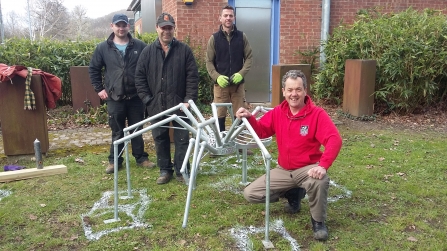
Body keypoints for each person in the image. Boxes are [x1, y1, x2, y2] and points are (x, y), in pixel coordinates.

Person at [235, 70, 342, 241]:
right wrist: (249, 119)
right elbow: (262, 130)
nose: (294, 94)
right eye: (290, 90)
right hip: (283, 169)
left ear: (305, 91)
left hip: (307, 168)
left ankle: (318, 222)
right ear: (283, 91)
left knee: (319, 181)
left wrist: (323, 165)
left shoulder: (317, 114)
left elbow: (334, 139)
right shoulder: (278, 112)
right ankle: (292, 193)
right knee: (251, 193)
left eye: (298, 89)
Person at [135, 13, 199, 185]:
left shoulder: (184, 50)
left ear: (173, 28)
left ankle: (182, 170)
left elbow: (192, 77)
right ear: (157, 28)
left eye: (169, 27)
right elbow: (139, 78)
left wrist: (188, 99)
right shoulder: (147, 52)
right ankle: (165, 170)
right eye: (163, 27)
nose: (166, 31)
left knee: (182, 139)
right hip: (156, 105)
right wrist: (148, 99)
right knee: (160, 137)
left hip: (180, 105)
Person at [89, 13, 155, 174]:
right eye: (118, 25)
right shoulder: (103, 48)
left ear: (128, 26)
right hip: (114, 97)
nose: (121, 28)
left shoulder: (140, 46)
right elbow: (94, 69)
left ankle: (141, 158)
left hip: (136, 97)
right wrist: (99, 89)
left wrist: (145, 91)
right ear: (112, 26)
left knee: (136, 130)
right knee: (117, 131)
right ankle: (114, 161)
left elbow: (150, 69)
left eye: (124, 25)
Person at [206, 5, 253, 133]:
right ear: (220, 18)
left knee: (240, 114)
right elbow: (209, 62)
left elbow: (249, 58)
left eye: (230, 16)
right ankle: (221, 145)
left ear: (234, 18)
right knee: (219, 115)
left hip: (238, 86)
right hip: (221, 86)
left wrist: (241, 74)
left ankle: (240, 143)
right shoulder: (214, 39)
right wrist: (217, 77)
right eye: (225, 15)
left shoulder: (241, 37)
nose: (228, 18)